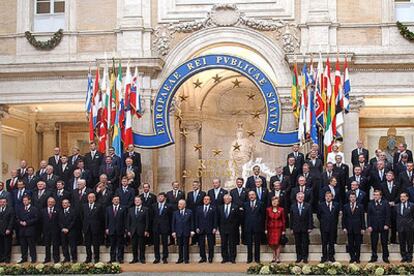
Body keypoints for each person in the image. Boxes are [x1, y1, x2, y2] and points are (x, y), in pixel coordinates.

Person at [367, 190, 391, 263]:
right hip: (374, 226)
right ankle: (374, 257)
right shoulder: (370, 203)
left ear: (380, 196)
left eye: (377, 195)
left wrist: (387, 224)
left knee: (384, 242)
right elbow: (369, 216)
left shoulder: (385, 203)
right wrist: (369, 225)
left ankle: (385, 257)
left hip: (383, 226)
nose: (375, 196)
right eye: (374, 195)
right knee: (374, 242)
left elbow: (388, 215)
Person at [342, 192, 366, 263]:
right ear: (349, 198)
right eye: (351, 197)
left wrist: (363, 228)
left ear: (356, 198)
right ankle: (352, 257)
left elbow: (362, 218)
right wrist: (344, 227)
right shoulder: (345, 206)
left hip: (358, 228)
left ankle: (357, 258)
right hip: (349, 228)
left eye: (354, 197)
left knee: (358, 244)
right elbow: (344, 218)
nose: (352, 198)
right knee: (350, 244)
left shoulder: (360, 206)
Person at [290, 192, 313, 263]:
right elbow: (291, 218)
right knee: (298, 243)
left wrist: (310, 227)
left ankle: (305, 257)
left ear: (303, 198)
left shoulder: (308, 206)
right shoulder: (293, 206)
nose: (300, 198)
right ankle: (299, 257)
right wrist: (291, 228)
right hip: (296, 228)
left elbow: (310, 217)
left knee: (305, 243)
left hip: (305, 228)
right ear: (296, 198)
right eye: (299, 197)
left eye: (301, 197)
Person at [317, 191, 339, 263]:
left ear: (332, 197)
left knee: (332, 242)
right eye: (327, 196)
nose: (328, 197)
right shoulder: (321, 205)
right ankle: (324, 256)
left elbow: (336, 215)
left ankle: (331, 256)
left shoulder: (336, 205)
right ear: (325, 197)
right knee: (324, 242)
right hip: (324, 226)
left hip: (333, 226)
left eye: (330, 196)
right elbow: (319, 215)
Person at [81, 192, 103, 263]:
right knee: (87, 244)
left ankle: (96, 258)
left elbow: (101, 218)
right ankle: (88, 258)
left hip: (95, 228)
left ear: (95, 198)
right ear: (87, 198)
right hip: (87, 228)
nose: (91, 199)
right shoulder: (84, 206)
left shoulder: (99, 206)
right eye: (89, 197)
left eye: (92, 197)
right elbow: (82, 217)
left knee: (96, 244)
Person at [243, 191, 264, 263]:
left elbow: (263, 216)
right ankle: (249, 259)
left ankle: (257, 259)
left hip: (257, 227)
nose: (251, 196)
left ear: (255, 195)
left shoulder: (260, 203)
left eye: (252, 195)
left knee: (257, 243)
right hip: (248, 227)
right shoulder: (245, 204)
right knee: (249, 244)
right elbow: (243, 216)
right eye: (250, 195)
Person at [16, 195, 39, 263]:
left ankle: (33, 259)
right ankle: (24, 258)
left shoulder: (34, 209)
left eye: (26, 200)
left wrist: (27, 222)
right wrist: (20, 222)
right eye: (23, 200)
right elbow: (17, 218)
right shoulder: (20, 209)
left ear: (29, 201)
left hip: (30, 230)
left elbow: (36, 218)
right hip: (22, 230)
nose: (24, 202)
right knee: (23, 246)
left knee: (31, 246)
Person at [195, 195, 217, 263]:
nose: (206, 200)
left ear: (210, 201)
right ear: (203, 200)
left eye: (207, 199)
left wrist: (215, 227)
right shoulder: (199, 208)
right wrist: (197, 227)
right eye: (205, 199)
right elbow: (196, 219)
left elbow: (215, 219)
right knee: (201, 244)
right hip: (201, 228)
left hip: (210, 228)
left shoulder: (213, 208)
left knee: (211, 244)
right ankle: (203, 257)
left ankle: (210, 257)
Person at [105, 195, 127, 263]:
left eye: (117, 199)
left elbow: (125, 219)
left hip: (120, 229)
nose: (116, 201)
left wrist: (125, 229)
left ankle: (120, 258)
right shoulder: (108, 208)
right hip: (111, 229)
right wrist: (106, 228)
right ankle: (112, 259)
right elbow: (106, 219)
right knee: (112, 245)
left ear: (119, 200)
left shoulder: (123, 208)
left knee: (120, 245)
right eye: (115, 199)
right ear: (112, 201)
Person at [127, 196, 149, 264]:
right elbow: (128, 221)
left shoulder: (145, 209)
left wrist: (146, 230)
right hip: (133, 231)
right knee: (134, 246)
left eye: (138, 200)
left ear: (141, 201)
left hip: (141, 230)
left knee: (142, 246)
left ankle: (142, 258)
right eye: (136, 200)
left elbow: (147, 221)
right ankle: (135, 258)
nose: (137, 201)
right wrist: (128, 230)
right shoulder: (131, 209)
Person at [172, 199, 194, 264]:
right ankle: (180, 259)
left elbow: (192, 222)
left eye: (181, 204)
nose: (179, 205)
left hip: (186, 231)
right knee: (180, 246)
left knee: (186, 246)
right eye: (179, 204)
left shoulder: (189, 212)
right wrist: (173, 231)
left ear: (184, 205)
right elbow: (173, 223)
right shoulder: (175, 213)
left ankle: (186, 259)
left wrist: (192, 230)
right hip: (178, 232)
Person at [217, 194, 238, 263]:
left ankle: (232, 258)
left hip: (232, 229)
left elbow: (238, 219)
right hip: (223, 229)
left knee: (232, 244)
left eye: (227, 199)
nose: (226, 200)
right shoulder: (220, 207)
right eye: (225, 199)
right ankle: (224, 258)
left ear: (231, 199)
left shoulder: (235, 207)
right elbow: (218, 218)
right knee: (223, 244)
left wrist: (235, 227)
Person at [381, 171, 400, 244]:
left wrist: (394, 202)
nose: (388, 177)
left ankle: (393, 239)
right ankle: (385, 240)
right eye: (387, 176)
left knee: (394, 224)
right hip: (386, 207)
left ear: (393, 177)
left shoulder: (397, 184)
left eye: (390, 176)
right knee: (386, 223)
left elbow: (399, 194)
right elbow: (381, 195)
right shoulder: (382, 185)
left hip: (394, 206)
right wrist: (387, 203)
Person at [152, 192, 171, 264]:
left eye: (162, 197)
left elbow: (170, 217)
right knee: (156, 244)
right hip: (156, 227)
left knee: (165, 243)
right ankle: (157, 258)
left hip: (165, 227)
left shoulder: (168, 206)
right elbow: (152, 217)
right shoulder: (154, 206)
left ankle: (165, 257)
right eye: (159, 197)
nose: (160, 198)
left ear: (165, 198)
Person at [266, 196, 286, 263]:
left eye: (276, 201)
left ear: (278, 202)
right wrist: (265, 229)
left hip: (278, 229)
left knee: (278, 243)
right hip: (270, 228)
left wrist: (283, 230)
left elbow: (283, 220)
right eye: (273, 201)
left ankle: (277, 258)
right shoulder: (268, 209)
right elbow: (266, 220)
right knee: (272, 243)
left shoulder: (281, 209)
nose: (274, 202)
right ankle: (273, 256)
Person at [396, 192, 414, 263]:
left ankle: (409, 256)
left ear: (407, 197)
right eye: (401, 197)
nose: (402, 198)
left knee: (409, 243)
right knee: (402, 243)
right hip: (400, 227)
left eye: (403, 197)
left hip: (409, 227)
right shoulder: (397, 206)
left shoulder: (412, 205)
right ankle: (404, 256)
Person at [186, 180, 206, 245]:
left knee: (199, 226)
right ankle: (193, 241)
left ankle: (199, 241)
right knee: (193, 226)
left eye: (196, 185)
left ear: (199, 185)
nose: (194, 186)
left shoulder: (203, 193)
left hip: (200, 213)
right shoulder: (189, 194)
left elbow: (204, 203)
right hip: (191, 213)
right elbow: (188, 204)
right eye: (193, 185)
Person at [41, 197, 60, 263]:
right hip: (46, 231)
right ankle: (47, 258)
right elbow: (41, 221)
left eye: (52, 202)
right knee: (47, 245)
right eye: (49, 202)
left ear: (54, 203)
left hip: (55, 231)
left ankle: (56, 259)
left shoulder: (58, 210)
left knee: (55, 245)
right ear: (47, 202)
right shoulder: (43, 211)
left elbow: (59, 221)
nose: (50, 203)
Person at [59, 199, 78, 263]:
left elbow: (74, 221)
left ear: (69, 204)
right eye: (63, 203)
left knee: (72, 245)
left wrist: (68, 229)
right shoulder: (60, 212)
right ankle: (66, 258)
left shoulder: (73, 211)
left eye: (65, 203)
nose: (64, 204)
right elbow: (59, 221)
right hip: (63, 231)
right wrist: (63, 228)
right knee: (64, 246)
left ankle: (74, 258)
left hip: (71, 231)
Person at [229, 177, 247, 245]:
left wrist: (243, 207)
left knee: (244, 227)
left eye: (240, 182)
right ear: (236, 183)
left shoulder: (246, 190)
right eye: (238, 182)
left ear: (243, 183)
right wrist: (236, 208)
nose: (239, 183)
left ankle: (244, 241)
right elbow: (231, 201)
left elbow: (247, 201)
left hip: (244, 212)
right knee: (235, 227)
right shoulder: (232, 191)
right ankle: (236, 241)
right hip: (235, 213)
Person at [0, 197, 14, 263]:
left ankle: (7, 258)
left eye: (3, 202)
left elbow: (12, 220)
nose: (2, 203)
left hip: (7, 230)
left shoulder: (10, 209)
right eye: (1, 202)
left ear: (6, 203)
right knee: (1, 245)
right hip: (0, 230)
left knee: (7, 245)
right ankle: (1, 258)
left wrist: (9, 229)